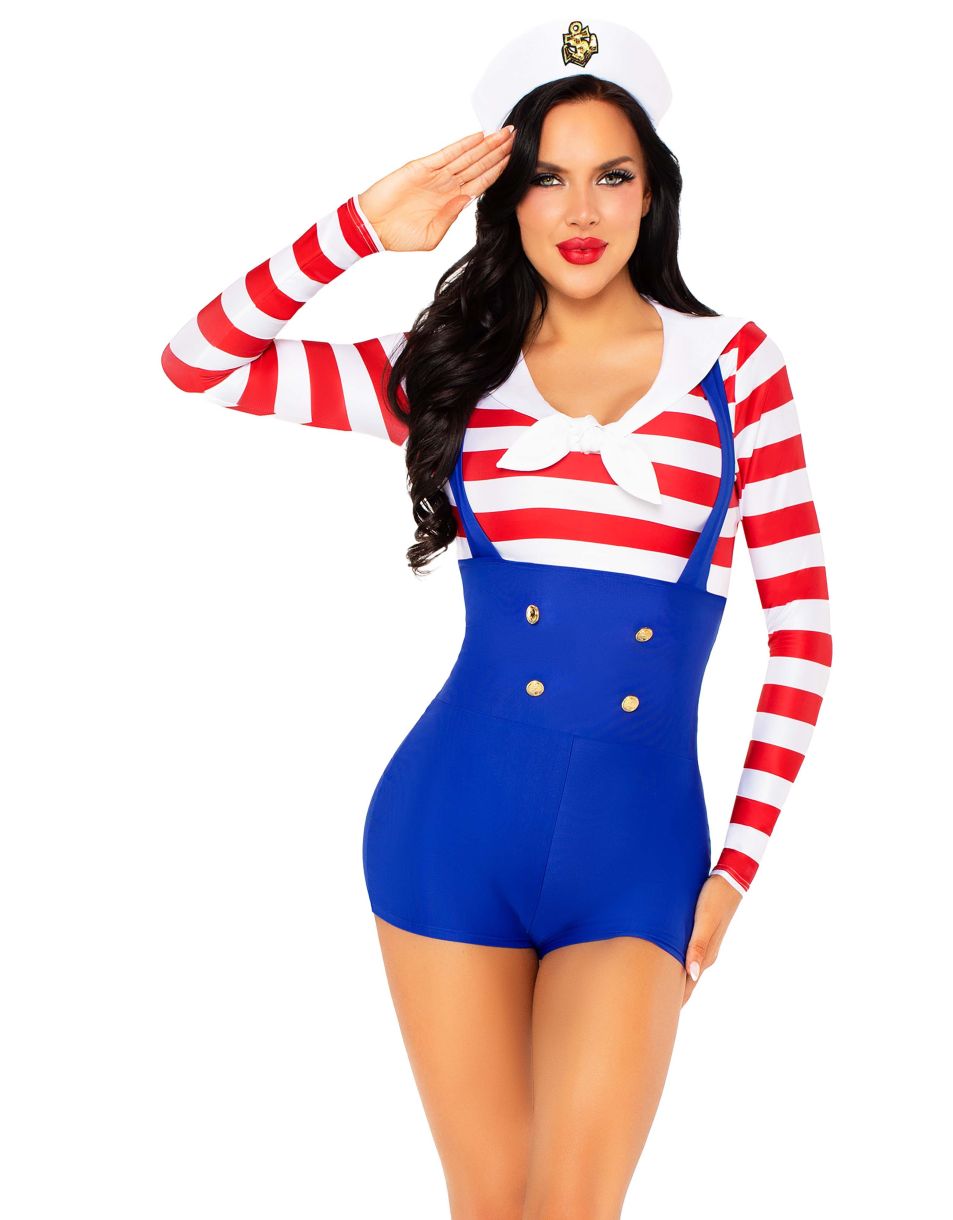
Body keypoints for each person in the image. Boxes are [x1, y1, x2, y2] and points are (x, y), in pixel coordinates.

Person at [161, 16, 832, 1217]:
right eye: (544, 177)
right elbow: (198, 360)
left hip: (639, 852)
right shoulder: (450, 367)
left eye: (610, 175)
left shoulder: (736, 366)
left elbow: (804, 633)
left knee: (572, 1203)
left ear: (651, 192)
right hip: (448, 828)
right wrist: (360, 228)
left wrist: (735, 871)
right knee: (489, 1202)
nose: (580, 209)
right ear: (504, 196)